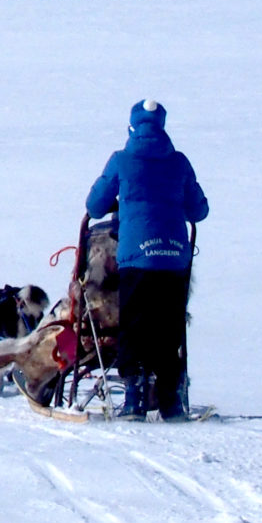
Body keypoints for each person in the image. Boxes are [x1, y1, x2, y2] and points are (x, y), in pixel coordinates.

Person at [85, 99, 208, 418]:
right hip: (173, 260)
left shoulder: (121, 160)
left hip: (136, 258)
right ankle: (170, 400)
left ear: (132, 127)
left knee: (134, 325)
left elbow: (96, 205)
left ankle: (134, 397)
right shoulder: (179, 162)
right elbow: (199, 210)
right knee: (169, 328)